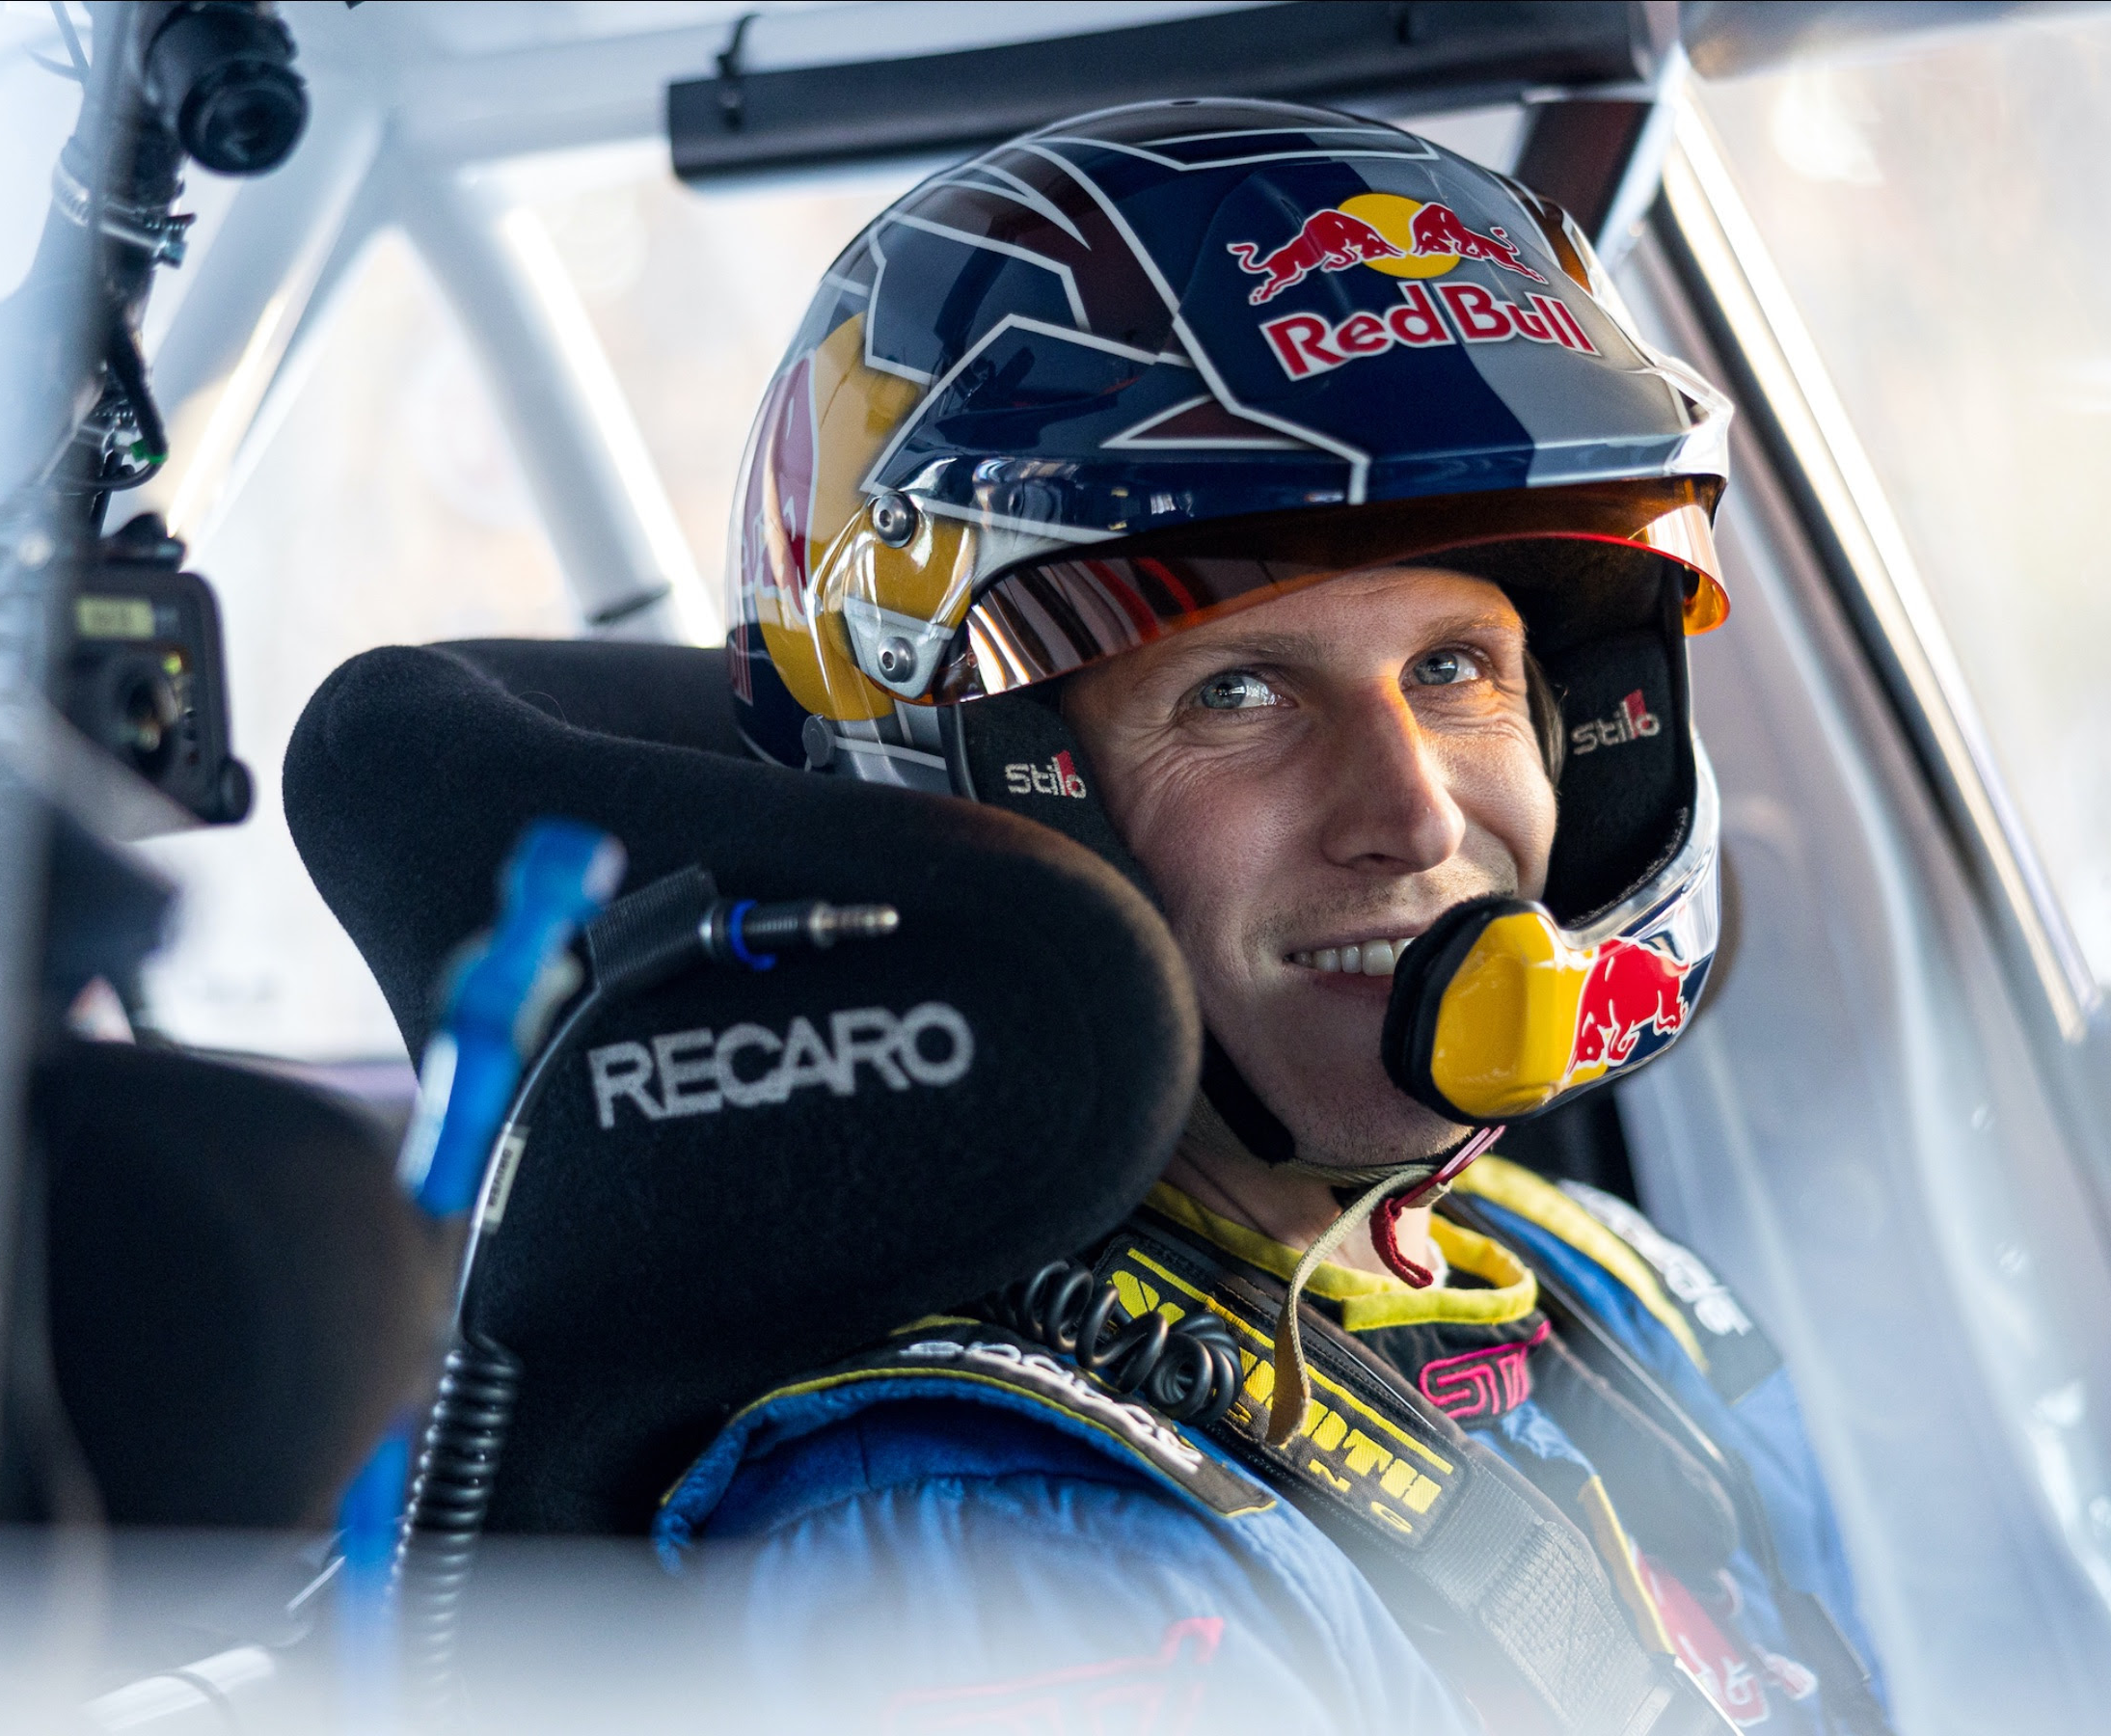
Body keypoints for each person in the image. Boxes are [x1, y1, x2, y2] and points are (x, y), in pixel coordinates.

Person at [658, 97, 1891, 1735]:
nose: (1415, 816)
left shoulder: (1615, 1296)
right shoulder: (995, 1532)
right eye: (1237, 695)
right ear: (993, 804)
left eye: (1454, 669)